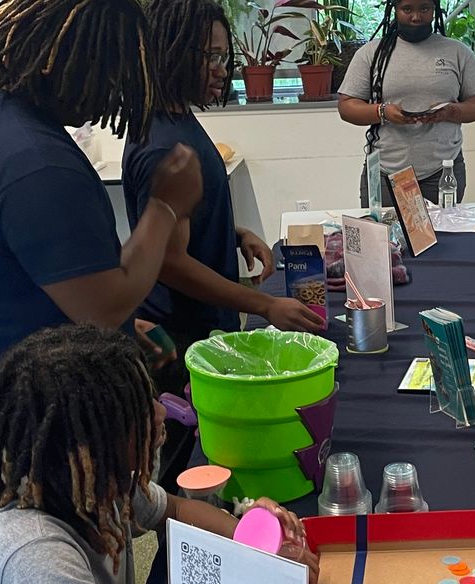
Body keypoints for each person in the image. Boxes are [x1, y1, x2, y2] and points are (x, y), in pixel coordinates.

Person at [0, 325, 318, 584]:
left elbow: (177, 510)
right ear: (88, 447)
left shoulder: (96, 490)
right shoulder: (34, 555)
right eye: (138, 410)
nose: (159, 415)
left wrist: (250, 538)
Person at [0, 0, 203, 465]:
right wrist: (166, 206)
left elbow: (1, 261)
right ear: (61, 57)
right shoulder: (34, 161)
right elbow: (102, 306)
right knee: (61, 532)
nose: (108, 98)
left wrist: (121, 330)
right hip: (26, 402)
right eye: (109, 74)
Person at [124, 0, 325, 360]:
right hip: (182, 341)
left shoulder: (177, 120)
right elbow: (170, 262)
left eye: (223, 58)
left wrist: (234, 233)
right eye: (212, 57)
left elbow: (181, 215)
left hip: (204, 327)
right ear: (172, 52)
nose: (221, 71)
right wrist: (264, 305)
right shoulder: (163, 146)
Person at [337, 0, 475, 207]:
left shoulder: (457, 52)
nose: (416, 17)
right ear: (395, 10)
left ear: (434, 10)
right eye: (407, 9)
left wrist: (451, 112)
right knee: (382, 236)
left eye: (424, 9)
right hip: (385, 171)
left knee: (443, 236)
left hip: (443, 170)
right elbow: (346, 106)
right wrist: (382, 111)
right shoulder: (371, 53)